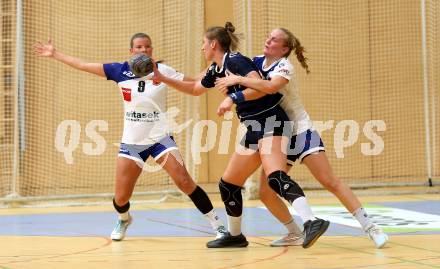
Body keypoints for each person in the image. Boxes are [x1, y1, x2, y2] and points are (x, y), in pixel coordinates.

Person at [33, 33, 227, 242]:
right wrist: (55, 54)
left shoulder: (163, 71)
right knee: (121, 197)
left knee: (184, 180)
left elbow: (195, 82)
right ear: (131, 51)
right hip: (132, 143)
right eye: (139, 47)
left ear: (151, 50)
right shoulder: (119, 70)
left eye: (147, 47)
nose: (143, 51)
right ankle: (124, 218)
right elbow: (82, 64)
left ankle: (218, 225)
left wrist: (220, 61)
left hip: (160, 139)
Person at [151, 22, 329, 249]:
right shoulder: (217, 69)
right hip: (254, 126)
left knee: (274, 177)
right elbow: (195, 88)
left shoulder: (236, 61)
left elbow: (261, 86)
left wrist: (232, 98)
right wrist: (162, 77)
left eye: (203, 44)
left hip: (273, 121)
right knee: (228, 184)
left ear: (213, 44)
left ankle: (312, 221)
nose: (202, 48)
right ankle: (235, 236)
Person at [214, 27, 389, 248]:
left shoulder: (285, 66)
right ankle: (294, 232)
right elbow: (247, 83)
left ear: (285, 48)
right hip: (275, 130)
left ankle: (371, 228)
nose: (268, 41)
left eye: (274, 40)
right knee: (267, 191)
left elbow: (270, 87)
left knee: (329, 180)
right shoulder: (256, 62)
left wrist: (236, 87)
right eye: (268, 36)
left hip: (300, 130)